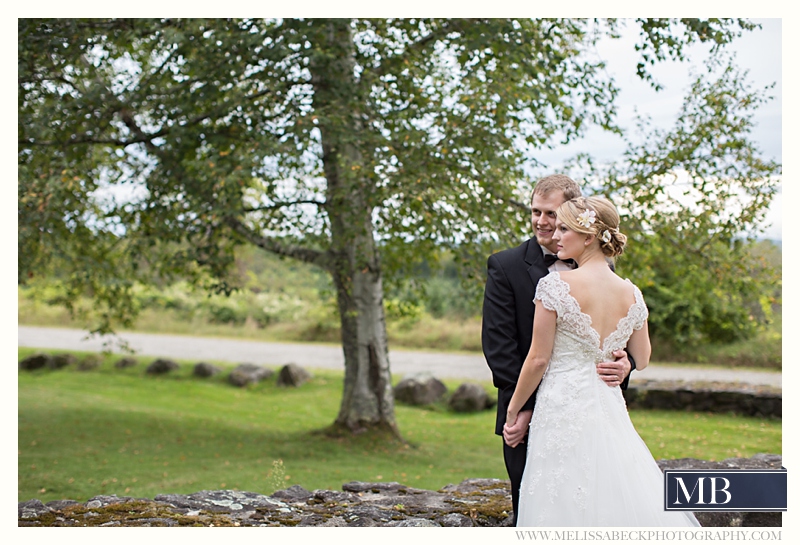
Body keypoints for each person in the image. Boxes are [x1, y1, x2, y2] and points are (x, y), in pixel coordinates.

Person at [505, 196, 700, 527]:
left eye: (565, 229)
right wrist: (623, 362)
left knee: (560, 496)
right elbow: (644, 356)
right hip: (607, 404)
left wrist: (514, 409)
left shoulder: (554, 286)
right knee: (613, 488)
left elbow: (538, 359)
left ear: (589, 236)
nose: (556, 236)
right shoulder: (630, 292)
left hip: (561, 407)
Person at [482, 175, 635, 525]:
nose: (541, 221)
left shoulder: (604, 267)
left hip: (594, 415)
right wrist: (527, 410)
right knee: (537, 513)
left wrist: (625, 366)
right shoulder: (504, 266)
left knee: (601, 509)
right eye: (536, 211)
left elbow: (620, 340)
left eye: (551, 213)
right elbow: (500, 350)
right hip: (527, 416)